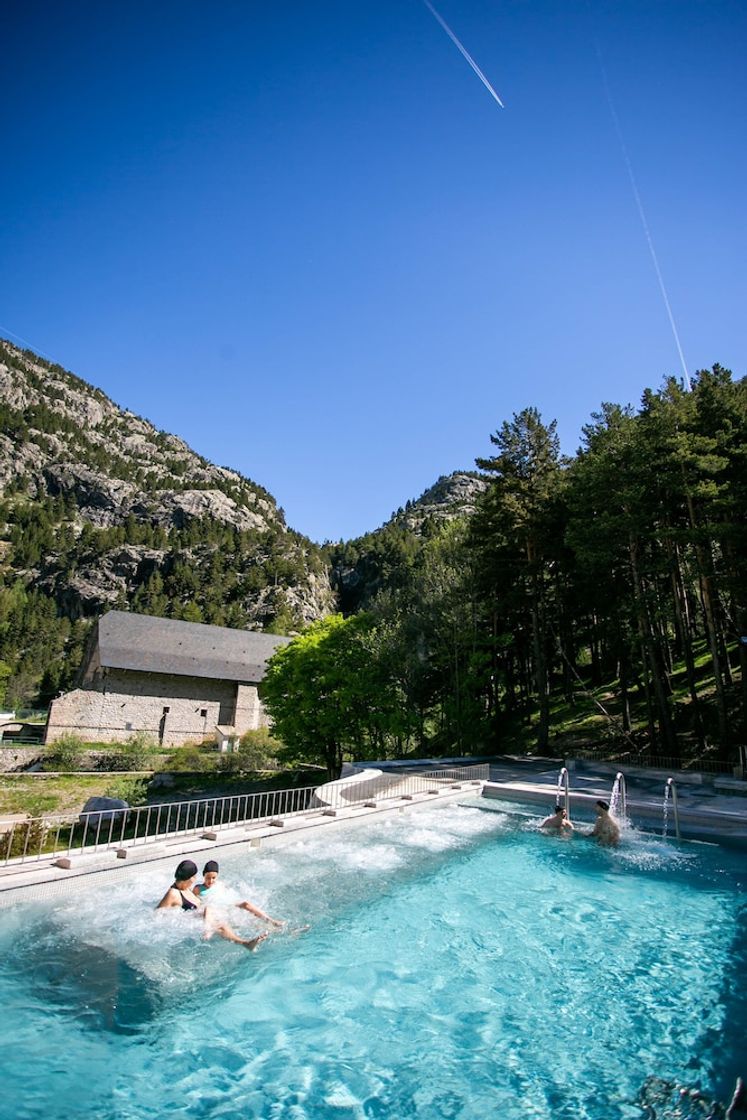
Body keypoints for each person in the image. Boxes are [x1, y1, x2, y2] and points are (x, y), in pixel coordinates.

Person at [156, 859, 268, 950]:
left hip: (206, 916)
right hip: (198, 920)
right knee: (217, 919)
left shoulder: (186, 888)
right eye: (194, 877)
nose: (195, 879)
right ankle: (245, 942)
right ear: (189, 878)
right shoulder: (173, 894)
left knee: (233, 918)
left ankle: (261, 932)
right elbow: (157, 915)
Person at [194, 860, 284, 928]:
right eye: (208, 878)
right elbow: (195, 903)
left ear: (217, 876)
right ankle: (206, 931)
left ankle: (271, 921)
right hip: (215, 910)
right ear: (203, 875)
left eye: (213, 878)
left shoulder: (220, 884)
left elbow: (227, 897)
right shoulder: (198, 888)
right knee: (208, 909)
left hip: (226, 906)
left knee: (246, 904)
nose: (211, 881)